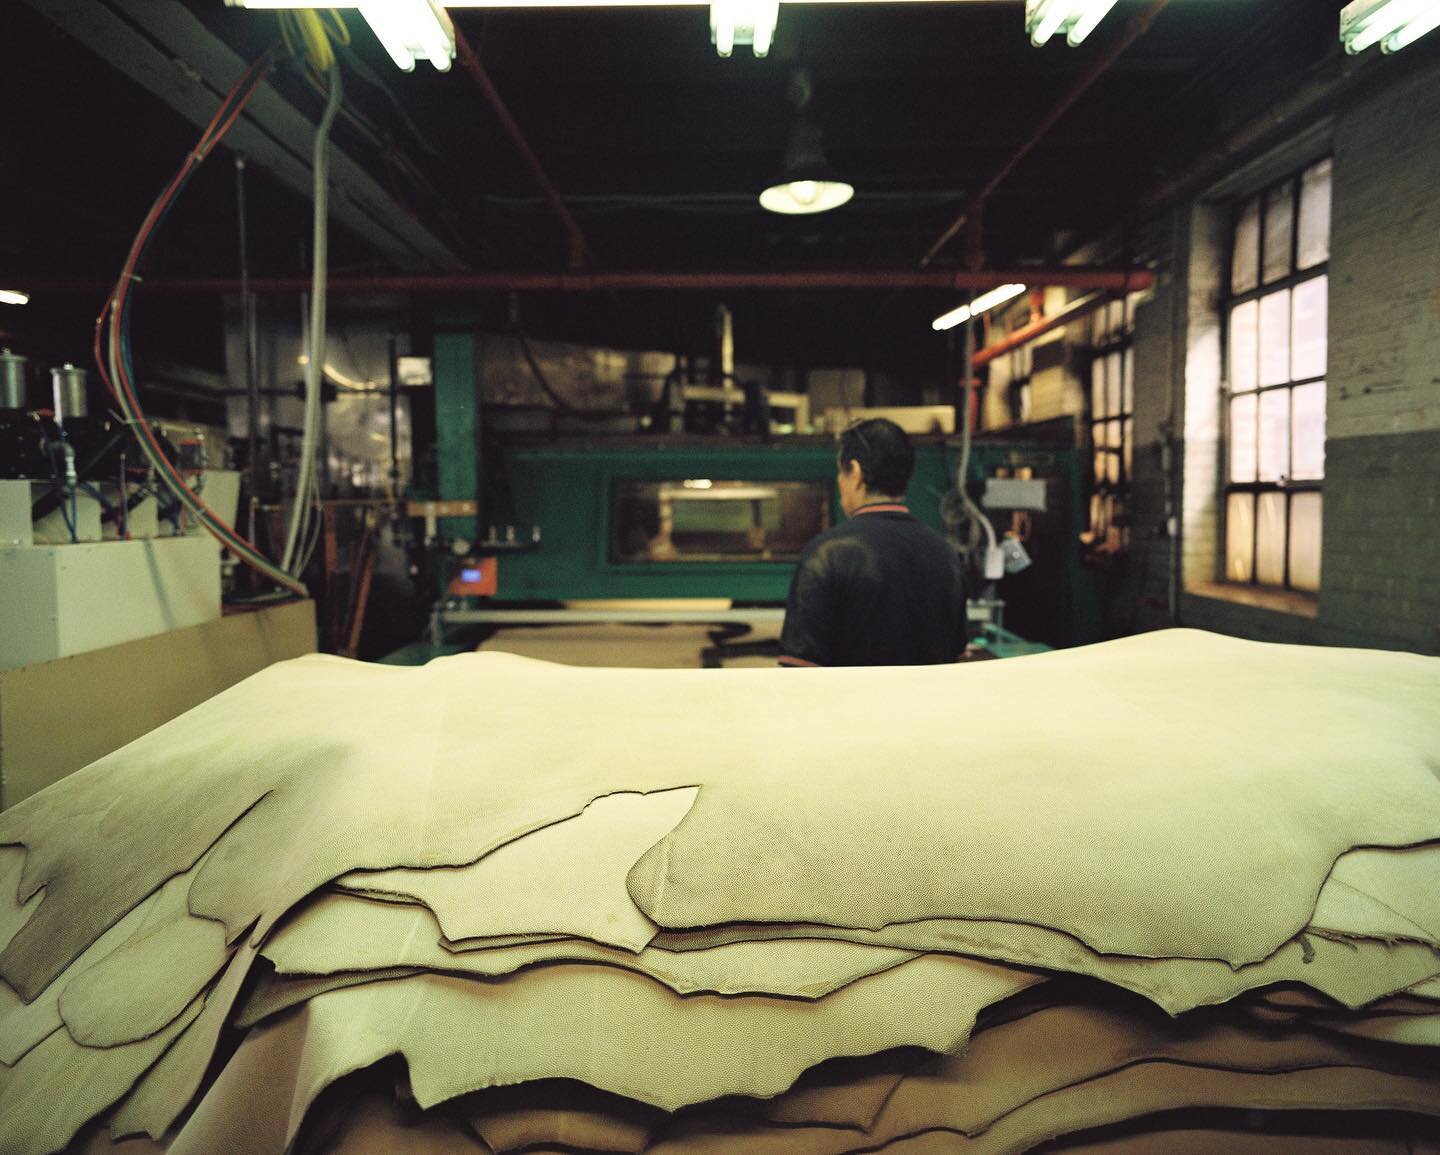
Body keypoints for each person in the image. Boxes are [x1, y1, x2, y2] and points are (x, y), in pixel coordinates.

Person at [778, 418, 966, 666]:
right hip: (926, 705)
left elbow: (799, 667)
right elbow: (957, 656)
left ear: (855, 473)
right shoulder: (946, 554)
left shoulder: (825, 553)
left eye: (840, 471)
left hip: (850, 705)